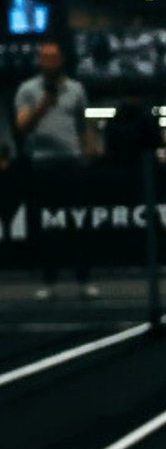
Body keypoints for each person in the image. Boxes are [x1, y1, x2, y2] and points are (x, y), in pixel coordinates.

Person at [14, 40, 98, 298]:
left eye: (53, 57)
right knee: (46, 225)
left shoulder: (75, 89)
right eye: (44, 57)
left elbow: (84, 124)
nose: (49, 62)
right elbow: (22, 125)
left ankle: (83, 279)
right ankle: (49, 281)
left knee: (78, 222)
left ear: (61, 60)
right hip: (43, 162)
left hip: (71, 160)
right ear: (39, 61)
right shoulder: (28, 89)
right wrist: (45, 102)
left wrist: (89, 151)